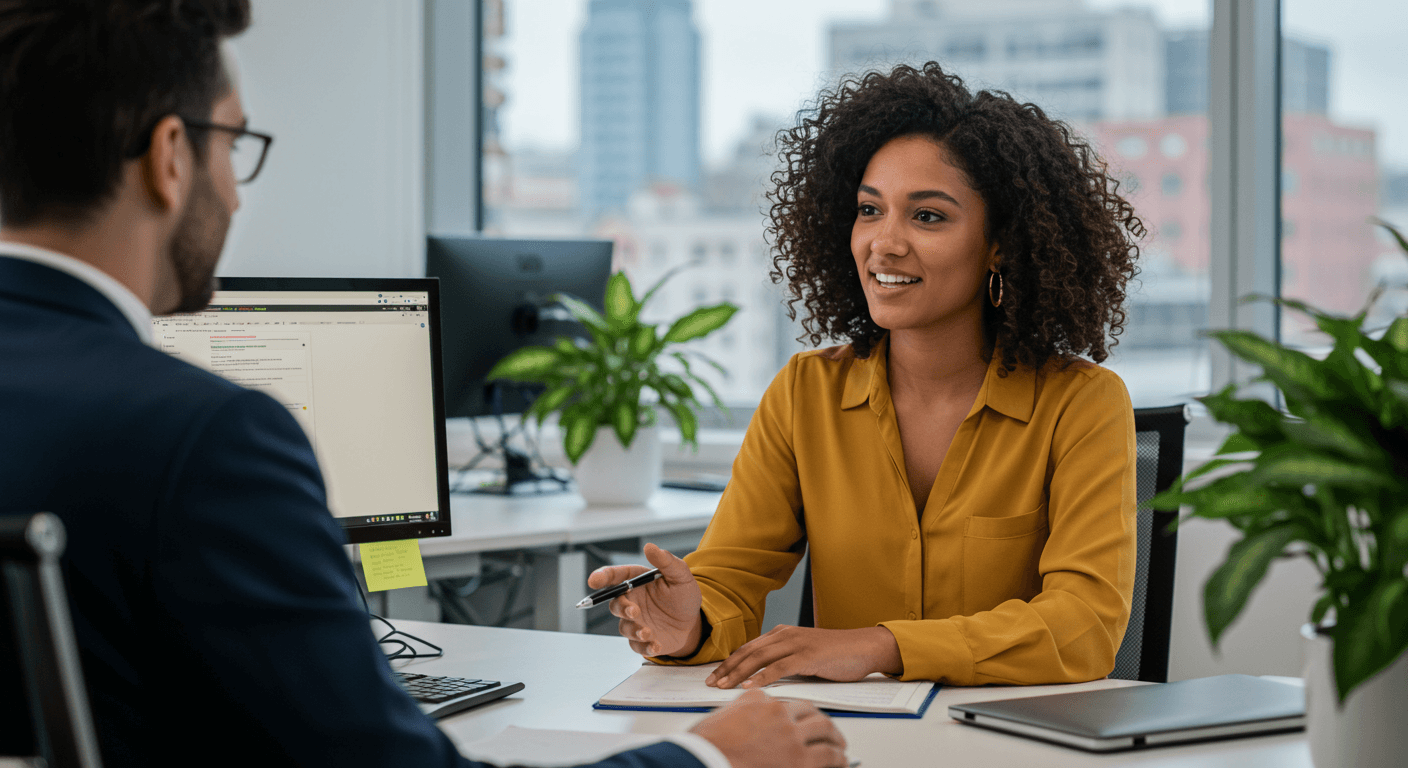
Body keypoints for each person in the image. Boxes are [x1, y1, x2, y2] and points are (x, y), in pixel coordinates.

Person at [0, 2, 849, 767]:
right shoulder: (205, 437)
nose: (233, 191)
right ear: (171, 156)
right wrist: (709, 760)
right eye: (234, 145)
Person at [590, 62, 1142, 691]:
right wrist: (687, 622)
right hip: (854, 742)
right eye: (869, 210)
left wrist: (882, 646)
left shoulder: (1083, 403)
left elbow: (1084, 625)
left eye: (928, 216)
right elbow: (729, 579)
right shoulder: (805, 394)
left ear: (1001, 245)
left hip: (1014, 743)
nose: (884, 243)